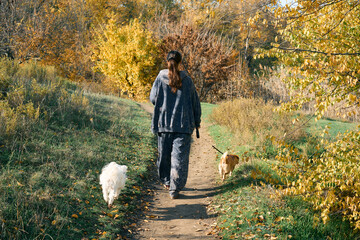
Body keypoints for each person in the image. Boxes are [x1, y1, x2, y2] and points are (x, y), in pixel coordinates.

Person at [150, 50, 201, 199]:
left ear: (167, 62)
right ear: (179, 62)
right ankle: (174, 188)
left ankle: (167, 181)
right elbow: (195, 103)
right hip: (183, 126)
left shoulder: (160, 78)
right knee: (179, 158)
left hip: (164, 124)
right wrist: (197, 121)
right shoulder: (187, 80)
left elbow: (153, 98)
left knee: (164, 157)